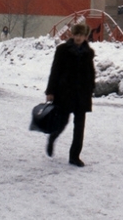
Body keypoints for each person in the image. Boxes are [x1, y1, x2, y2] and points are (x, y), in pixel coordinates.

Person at [44, 22, 96, 167]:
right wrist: (50, 91)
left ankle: (74, 156)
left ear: (86, 36)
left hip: (82, 95)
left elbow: (90, 72)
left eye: (82, 35)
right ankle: (52, 138)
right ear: (72, 35)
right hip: (64, 93)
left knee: (79, 127)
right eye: (76, 34)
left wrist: (91, 87)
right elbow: (55, 71)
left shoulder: (88, 52)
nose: (79, 38)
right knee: (62, 122)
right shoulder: (62, 50)